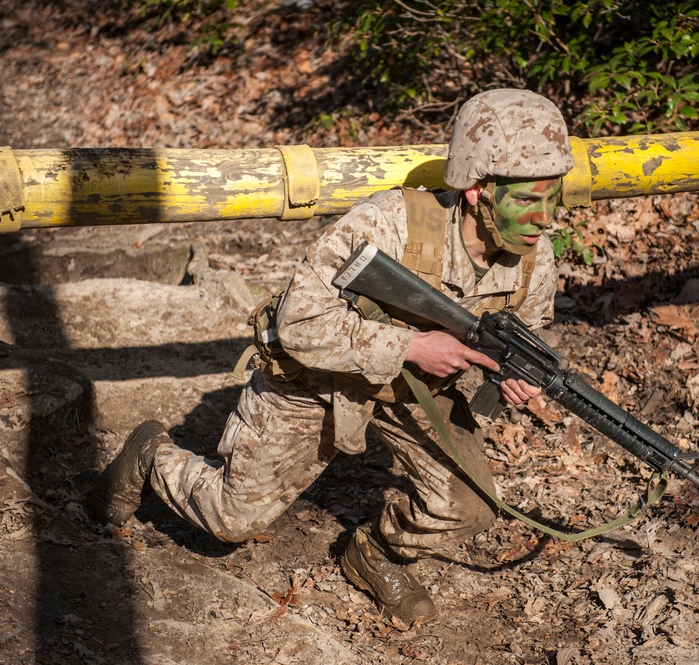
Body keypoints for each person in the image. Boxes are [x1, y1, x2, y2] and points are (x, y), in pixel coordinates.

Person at [89, 88, 575, 625]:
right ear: (478, 191)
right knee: (227, 519)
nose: (544, 217)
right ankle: (151, 454)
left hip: (412, 393)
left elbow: (522, 331)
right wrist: (412, 344)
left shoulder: (534, 260)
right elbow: (296, 322)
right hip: (317, 379)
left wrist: (510, 375)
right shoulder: (389, 225)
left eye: (554, 198)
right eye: (529, 200)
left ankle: (374, 556)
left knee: (470, 506)